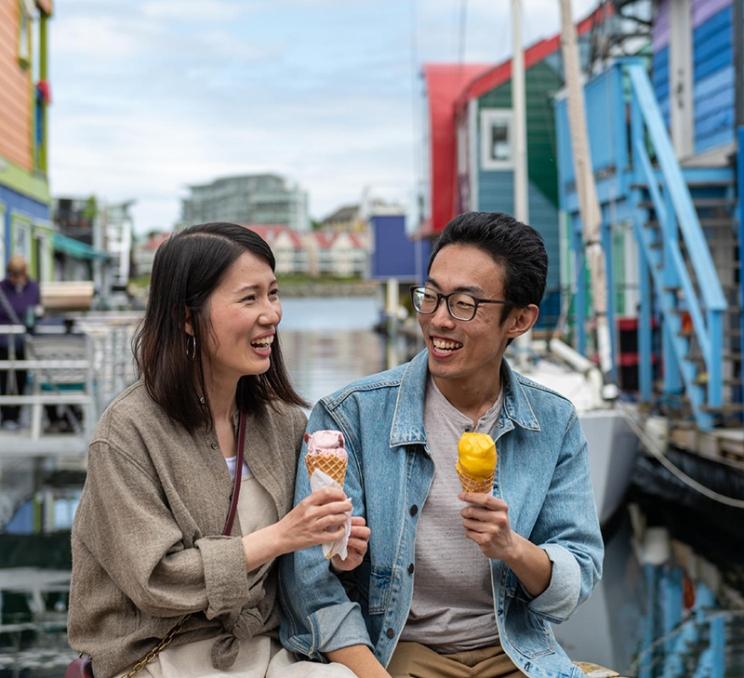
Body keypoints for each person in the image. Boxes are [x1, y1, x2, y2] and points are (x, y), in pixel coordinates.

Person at [280, 212, 604, 678]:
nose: (438, 320)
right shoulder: (350, 415)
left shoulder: (552, 421)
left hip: (513, 648)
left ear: (520, 319)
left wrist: (512, 547)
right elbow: (310, 581)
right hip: (398, 650)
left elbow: (577, 573)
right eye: (430, 296)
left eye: (465, 305)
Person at [68, 223, 369, 678]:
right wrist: (284, 534)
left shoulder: (285, 423)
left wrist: (335, 553)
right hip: (155, 657)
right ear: (186, 317)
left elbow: (294, 568)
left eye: (273, 293)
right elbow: (156, 581)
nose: (271, 314)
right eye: (249, 298)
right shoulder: (127, 433)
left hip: (261, 649)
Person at [0, 255, 41, 430]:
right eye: (13, 274)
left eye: (19, 273)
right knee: (3, 377)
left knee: (21, 375)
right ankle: (6, 415)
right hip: (2, 340)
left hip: (23, 339)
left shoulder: (33, 287)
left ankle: (16, 414)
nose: (16, 277)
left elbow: (36, 309)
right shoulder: (2, 288)